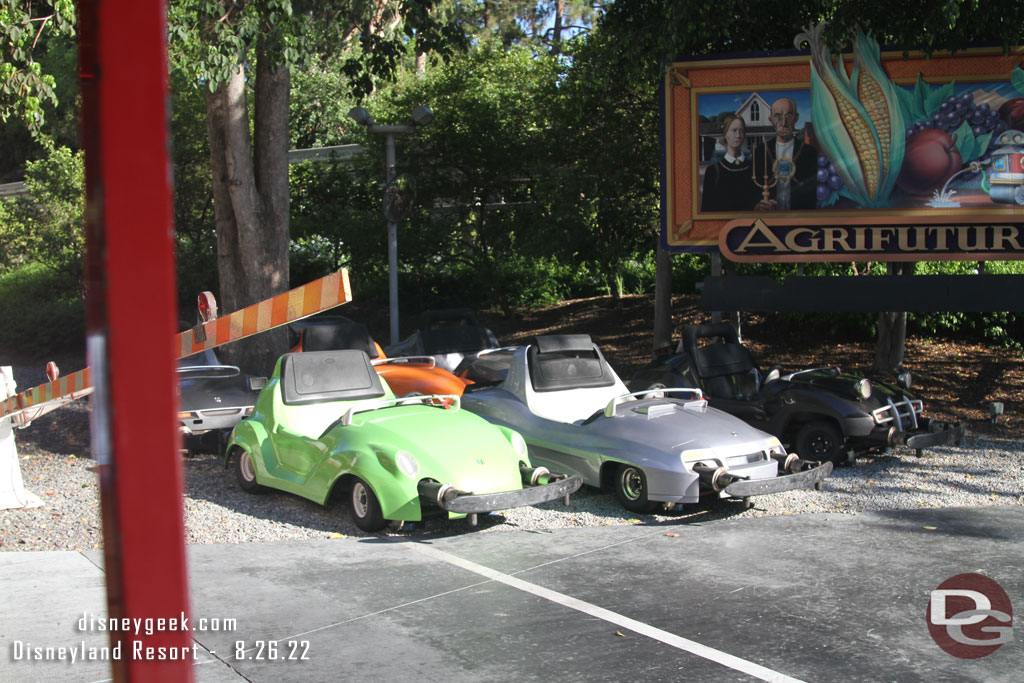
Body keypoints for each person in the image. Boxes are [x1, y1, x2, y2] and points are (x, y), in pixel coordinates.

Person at [751, 97, 819, 211]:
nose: (783, 122)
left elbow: (814, 193)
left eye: (788, 116)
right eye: (778, 116)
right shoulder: (760, 151)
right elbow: (752, 191)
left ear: (796, 118)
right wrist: (757, 205)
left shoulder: (809, 153)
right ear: (771, 119)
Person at [700, 114, 760, 212]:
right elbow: (707, 210)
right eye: (734, 130)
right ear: (725, 134)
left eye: (741, 130)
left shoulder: (754, 168)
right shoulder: (713, 171)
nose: (738, 135)